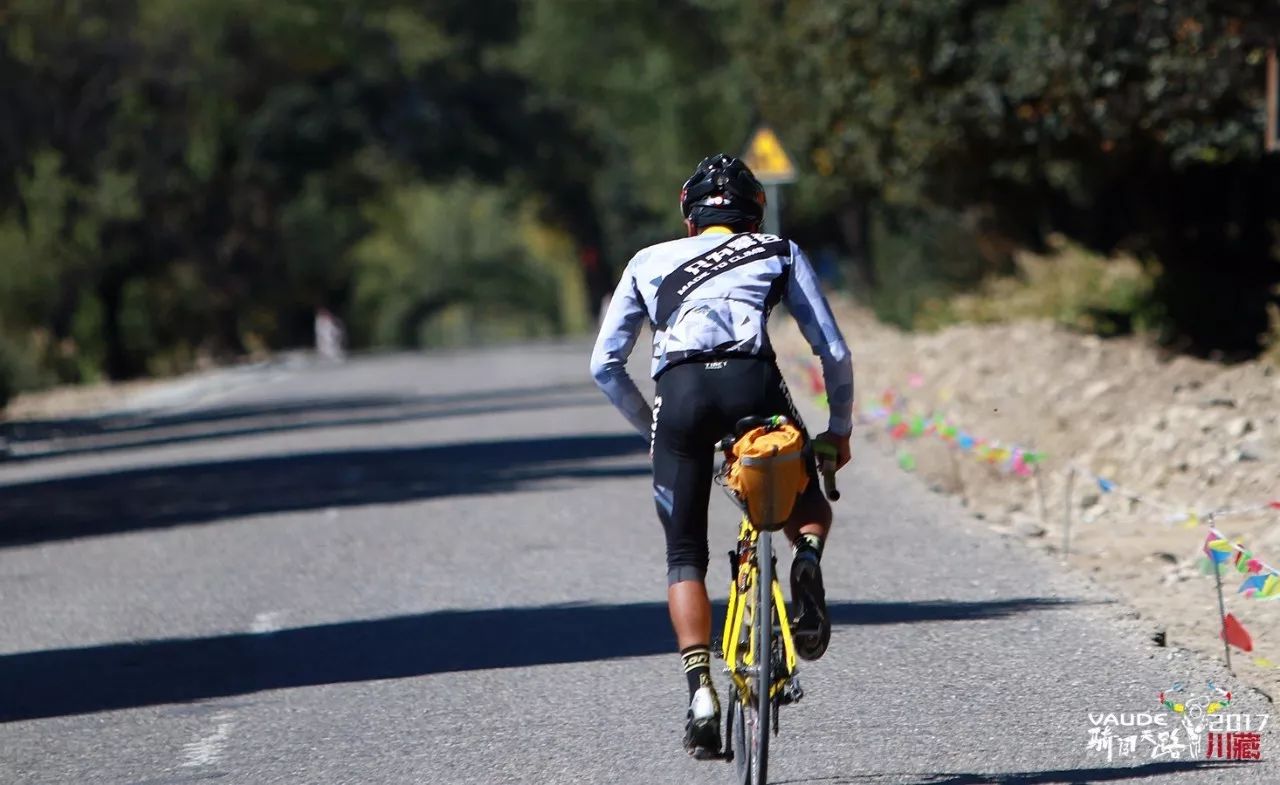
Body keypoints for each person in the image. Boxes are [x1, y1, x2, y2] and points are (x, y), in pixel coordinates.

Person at [589, 153, 854, 758]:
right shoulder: (778, 250)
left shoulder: (646, 261)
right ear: (754, 210)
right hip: (751, 384)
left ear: (689, 217)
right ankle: (805, 559)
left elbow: (604, 365)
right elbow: (831, 350)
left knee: (684, 553)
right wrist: (837, 429)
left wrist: (650, 425)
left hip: (678, 396)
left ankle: (701, 692)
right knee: (806, 495)